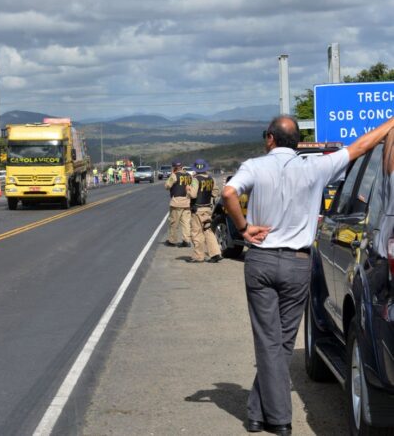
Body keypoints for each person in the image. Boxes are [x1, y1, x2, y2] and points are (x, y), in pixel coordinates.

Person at [223, 114, 394, 435]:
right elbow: (360, 146)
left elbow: (229, 194)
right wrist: (391, 123)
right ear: (298, 143)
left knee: (269, 341)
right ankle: (258, 413)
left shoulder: (254, 166)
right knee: (282, 342)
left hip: (261, 261)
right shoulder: (316, 167)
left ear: (269, 139)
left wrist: (244, 228)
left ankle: (277, 419)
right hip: (297, 264)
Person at [186, 158, 221, 263]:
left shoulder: (195, 180)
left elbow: (193, 194)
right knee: (208, 231)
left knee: (196, 233)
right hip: (208, 209)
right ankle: (215, 253)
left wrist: (188, 189)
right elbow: (215, 192)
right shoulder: (211, 179)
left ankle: (198, 256)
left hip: (197, 210)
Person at [164, 161, 192, 247]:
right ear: (182, 166)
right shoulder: (189, 175)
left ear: (174, 167)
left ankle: (172, 240)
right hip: (187, 201)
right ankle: (186, 240)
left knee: (174, 222)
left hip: (177, 202)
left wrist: (171, 175)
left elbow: (167, 186)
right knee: (186, 223)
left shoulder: (174, 175)